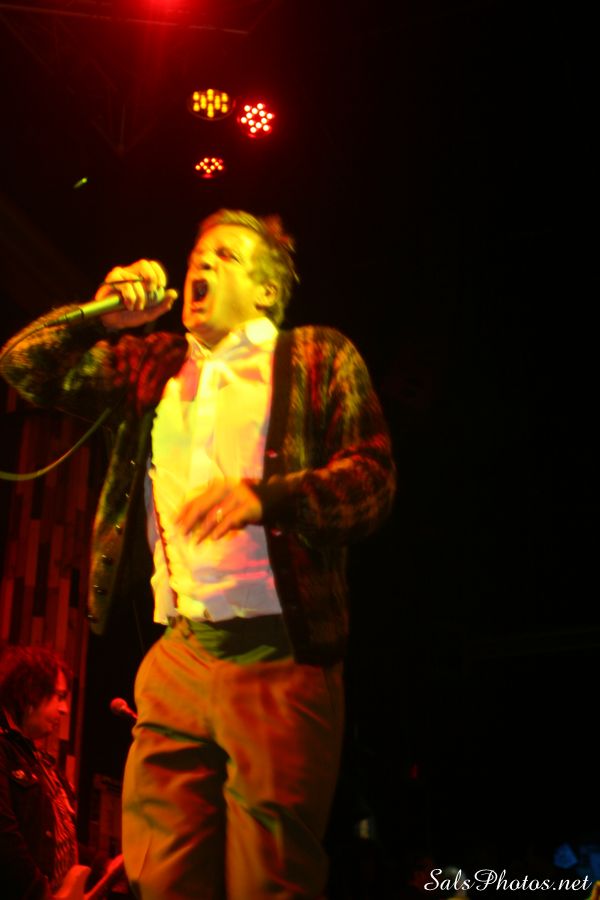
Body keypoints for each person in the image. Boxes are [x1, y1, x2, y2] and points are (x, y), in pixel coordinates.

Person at [0, 208, 397, 899]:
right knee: (161, 873)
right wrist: (99, 317)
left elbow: (373, 482)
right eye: (197, 255)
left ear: (267, 290)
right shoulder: (154, 365)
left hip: (280, 650)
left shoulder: (315, 357)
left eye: (226, 256)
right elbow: (23, 366)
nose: (202, 264)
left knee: (268, 876)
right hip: (178, 651)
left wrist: (269, 498)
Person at [0, 644, 77, 899]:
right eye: (59, 696)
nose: (65, 709)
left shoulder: (38, 759)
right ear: (31, 691)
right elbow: (6, 840)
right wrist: (40, 893)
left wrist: (100, 863)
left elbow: (56, 835)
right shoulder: (4, 751)